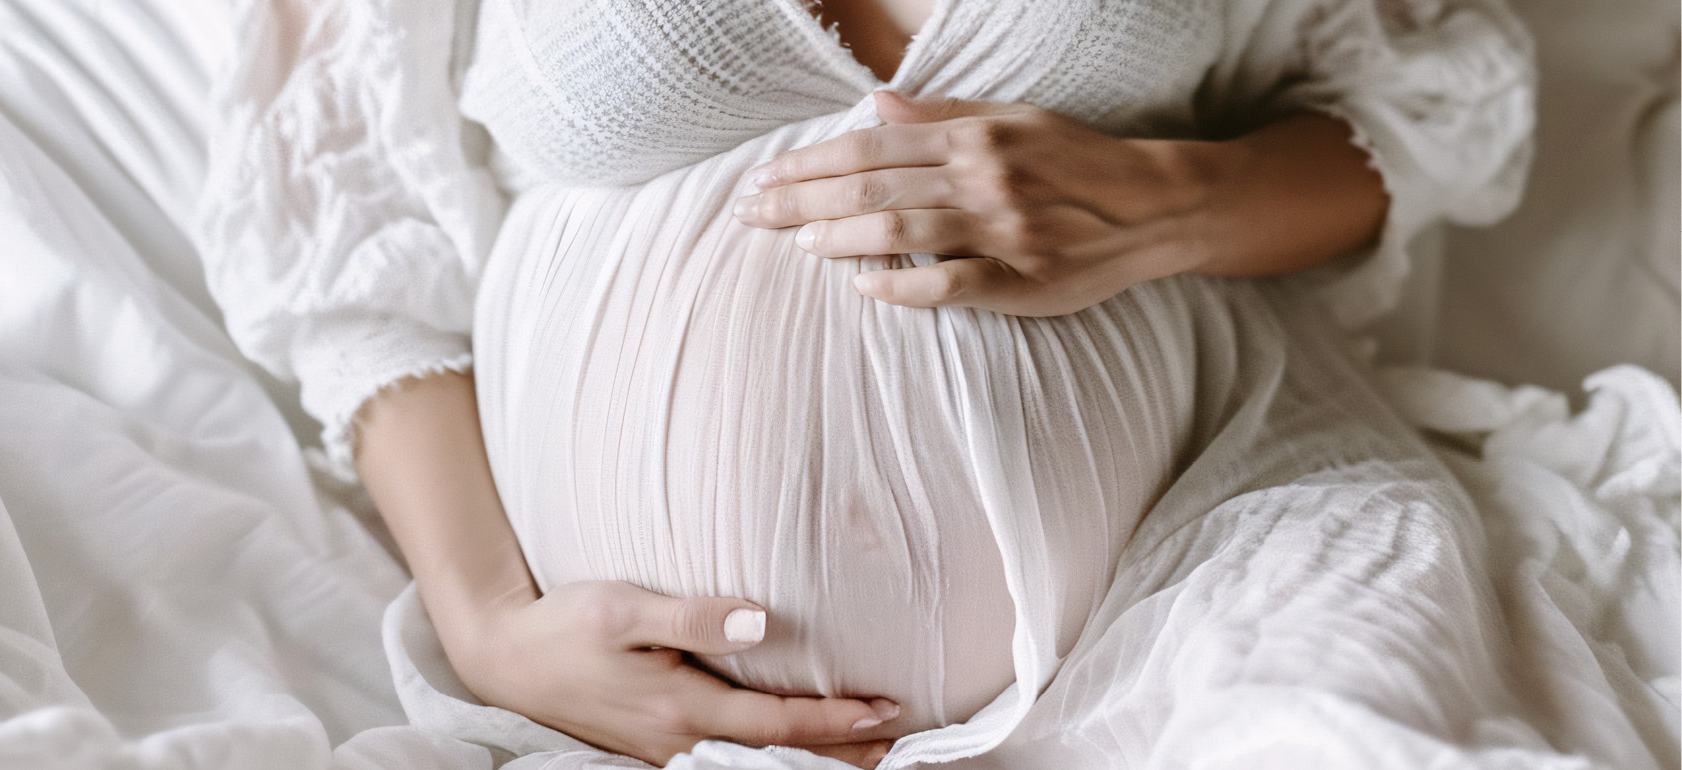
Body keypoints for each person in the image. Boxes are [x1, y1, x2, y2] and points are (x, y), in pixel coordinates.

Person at [199, 0, 1534, 767]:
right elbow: (349, 234)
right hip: (618, 713)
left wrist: (1173, 199)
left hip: (1193, 575)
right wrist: (486, 620)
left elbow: (1417, 117)